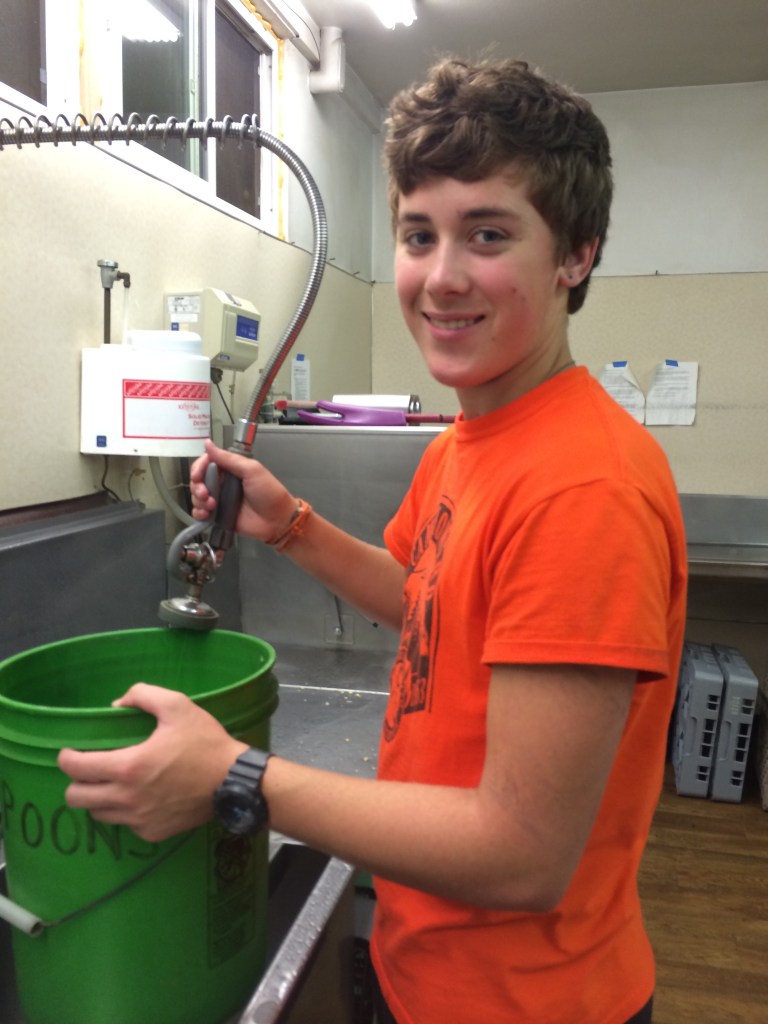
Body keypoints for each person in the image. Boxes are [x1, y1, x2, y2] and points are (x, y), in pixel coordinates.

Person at [58, 57, 687, 1024]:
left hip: (526, 1004)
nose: (441, 277)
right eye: (417, 234)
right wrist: (292, 527)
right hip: (421, 965)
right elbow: (429, 600)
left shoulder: (584, 486)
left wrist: (235, 775)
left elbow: (522, 852)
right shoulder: (468, 441)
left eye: (488, 234)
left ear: (576, 254)